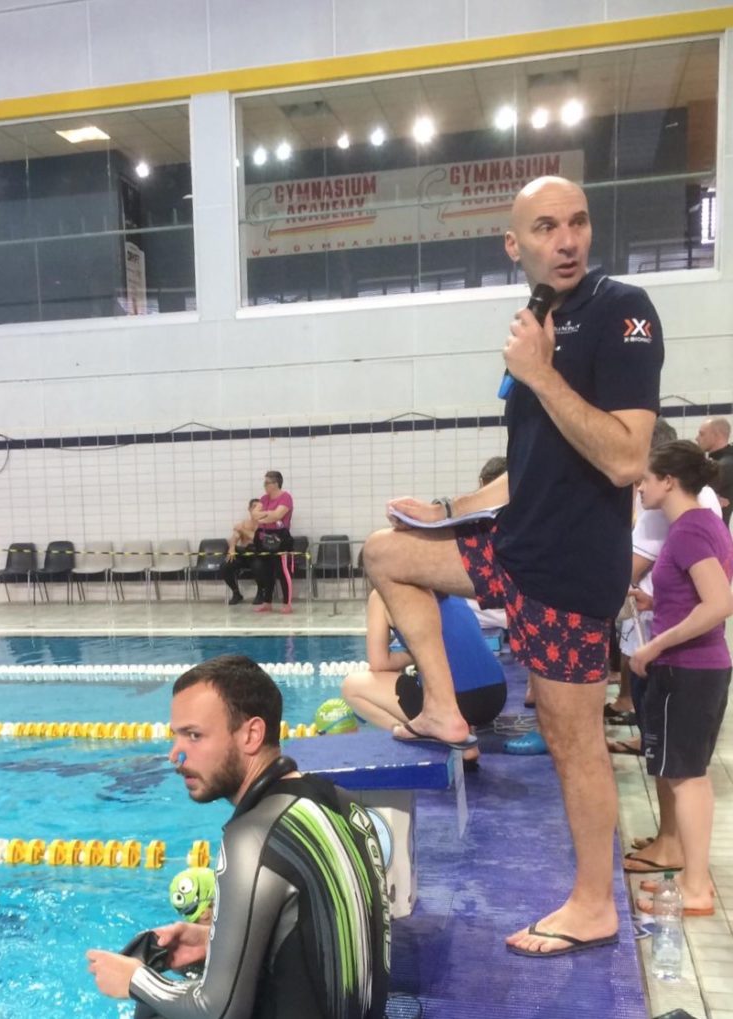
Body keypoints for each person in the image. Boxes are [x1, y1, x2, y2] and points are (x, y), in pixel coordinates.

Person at [362, 175, 663, 957]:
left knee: (574, 741)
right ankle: (443, 706)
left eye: (577, 222)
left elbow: (628, 456)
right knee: (385, 553)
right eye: (545, 227)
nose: (565, 240)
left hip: (567, 571)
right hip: (514, 546)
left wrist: (539, 373)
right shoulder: (541, 317)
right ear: (515, 243)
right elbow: (528, 464)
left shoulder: (622, 311)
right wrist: (445, 504)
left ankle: (593, 903)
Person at [87, 654, 391, 1018]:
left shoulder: (254, 835)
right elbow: (323, 944)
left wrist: (136, 980)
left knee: (153, 1008)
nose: (175, 754)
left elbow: (220, 1011)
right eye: (176, 736)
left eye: (194, 736)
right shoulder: (343, 804)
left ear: (251, 734)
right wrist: (211, 939)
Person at [621, 441, 733, 920]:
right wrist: (654, 606)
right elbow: (697, 597)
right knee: (688, 776)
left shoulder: (687, 530)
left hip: (689, 669)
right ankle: (690, 876)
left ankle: (694, 888)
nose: (640, 486)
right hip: (698, 667)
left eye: (645, 478)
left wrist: (656, 644)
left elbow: (719, 603)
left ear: (668, 481)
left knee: (687, 780)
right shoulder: (699, 524)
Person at [342, 591, 506, 770]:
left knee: (352, 687)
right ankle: (466, 741)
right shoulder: (446, 585)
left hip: (461, 700)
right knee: (448, 670)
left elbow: (379, 663)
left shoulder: (382, 595)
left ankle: (418, 735)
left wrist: (417, 653)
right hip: (496, 693)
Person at [252, 471, 294, 614]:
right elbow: (254, 515)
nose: (264, 486)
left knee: (282, 571)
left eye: (266, 483)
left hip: (280, 538)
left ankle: (287, 603)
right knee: (266, 572)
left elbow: (277, 515)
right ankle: (267, 602)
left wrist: (265, 516)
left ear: (275, 484)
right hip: (264, 537)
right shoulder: (264, 498)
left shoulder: (286, 497)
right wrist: (268, 515)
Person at [220, 498, 260, 606]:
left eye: (259, 507)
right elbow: (234, 538)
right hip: (244, 555)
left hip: (258, 556)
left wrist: (242, 530)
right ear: (249, 509)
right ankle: (236, 593)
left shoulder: (265, 524)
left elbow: (257, 538)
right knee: (225, 566)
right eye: (254, 507)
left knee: (259, 566)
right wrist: (232, 548)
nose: (256, 509)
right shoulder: (244, 523)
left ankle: (261, 593)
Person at [695, 416, 733, 525]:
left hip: (716, 532)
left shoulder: (725, 465)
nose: (697, 438)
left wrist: (705, 498)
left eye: (702, 434)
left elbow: (691, 494)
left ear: (717, 436)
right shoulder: (720, 463)